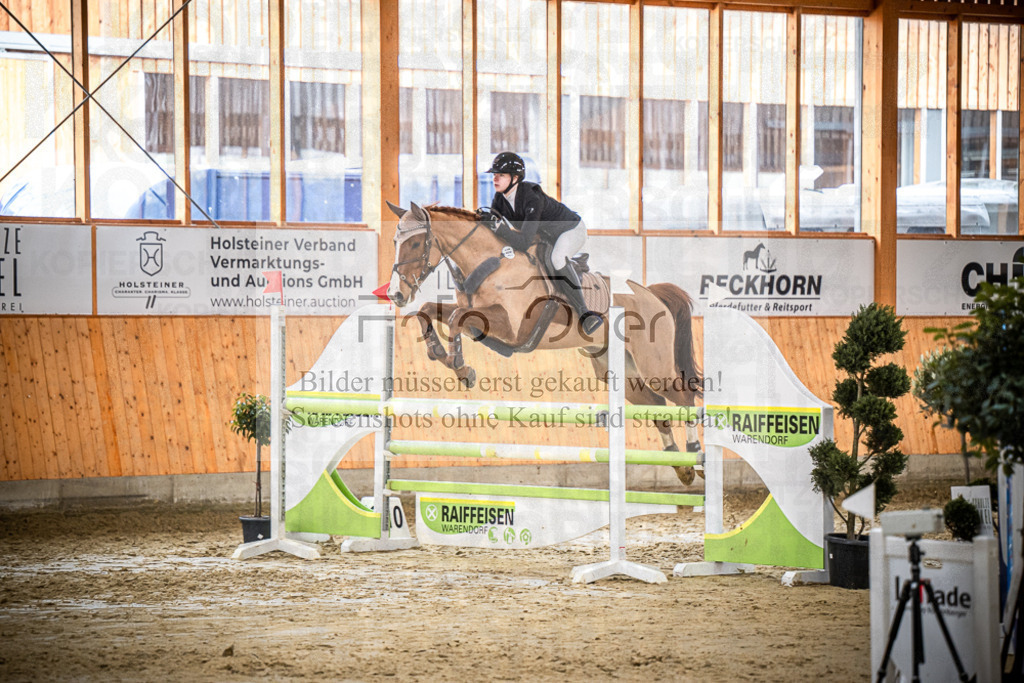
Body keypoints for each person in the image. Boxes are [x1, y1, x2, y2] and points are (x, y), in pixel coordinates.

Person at [485, 152, 603, 335]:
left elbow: (523, 241)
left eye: (500, 175)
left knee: (557, 260)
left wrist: (498, 227)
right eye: (494, 175)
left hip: (570, 230)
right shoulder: (500, 198)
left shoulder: (532, 197)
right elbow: (495, 227)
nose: (495, 179)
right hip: (546, 235)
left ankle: (585, 314)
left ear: (515, 178)